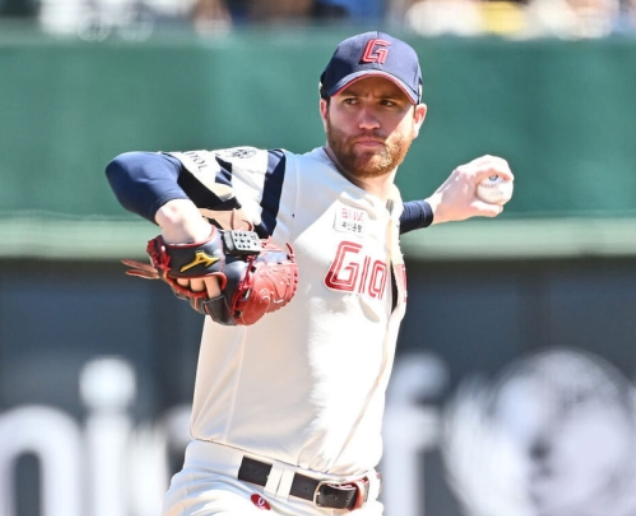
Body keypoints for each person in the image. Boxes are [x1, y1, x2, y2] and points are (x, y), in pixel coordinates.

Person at [105, 31, 514, 516]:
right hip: (239, 492)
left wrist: (435, 209)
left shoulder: (381, 212)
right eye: (351, 101)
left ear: (417, 119)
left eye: (388, 103)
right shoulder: (282, 181)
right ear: (324, 109)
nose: (368, 118)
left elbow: (359, 222)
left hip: (352, 503)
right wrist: (182, 221)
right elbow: (134, 167)